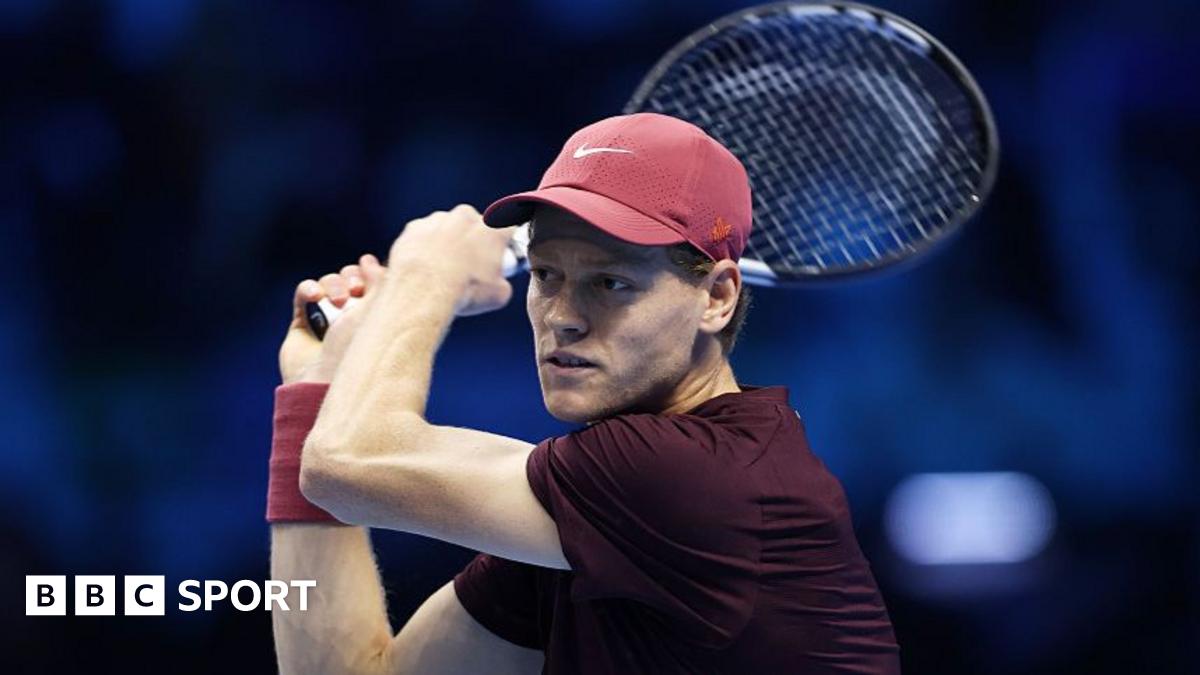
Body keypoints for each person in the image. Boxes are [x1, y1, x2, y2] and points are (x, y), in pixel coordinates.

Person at [267, 113, 900, 674]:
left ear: (717, 296)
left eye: (611, 283)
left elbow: (345, 465)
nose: (562, 315)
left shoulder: (692, 478)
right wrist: (315, 387)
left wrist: (427, 273)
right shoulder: (587, 521)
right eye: (546, 275)